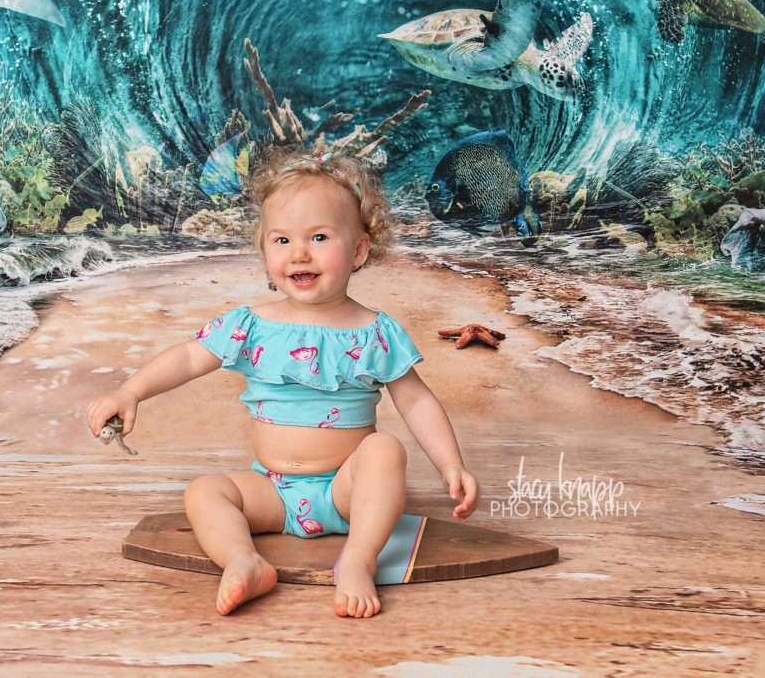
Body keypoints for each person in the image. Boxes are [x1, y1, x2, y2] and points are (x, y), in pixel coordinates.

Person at [86, 146, 479, 619]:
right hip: (270, 490)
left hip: (345, 491)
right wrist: (131, 391)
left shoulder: (375, 331)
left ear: (357, 250)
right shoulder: (249, 325)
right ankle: (244, 561)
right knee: (204, 492)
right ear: (264, 251)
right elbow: (190, 357)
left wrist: (450, 463)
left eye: (318, 236)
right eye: (282, 240)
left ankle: (358, 557)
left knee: (385, 452)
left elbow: (415, 400)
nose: (299, 253)